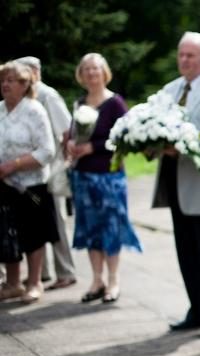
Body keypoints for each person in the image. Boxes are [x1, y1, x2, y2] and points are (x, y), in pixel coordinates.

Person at [153, 32, 200, 339]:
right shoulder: (170, 89)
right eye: (181, 54)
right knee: (185, 251)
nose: (184, 60)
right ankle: (196, 310)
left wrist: (188, 147)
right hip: (174, 179)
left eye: (191, 55)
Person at [68, 53, 141, 304]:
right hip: (83, 177)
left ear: (104, 72)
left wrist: (94, 147)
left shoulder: (115, 104)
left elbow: (126, 138)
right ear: (81, 74)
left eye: (95, 69)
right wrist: (71, 144)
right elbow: (73, 133)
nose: (91, 73)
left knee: (111, 228)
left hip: (109, 176)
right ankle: (96, 279)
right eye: (86, 69)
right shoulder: (79, 104)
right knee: (91, 229)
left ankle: (113, 280)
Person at [16, 56, 77, 291]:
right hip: (33, 170)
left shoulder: (47, 95)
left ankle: (66, 271)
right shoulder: (24, 97)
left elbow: (65, 130)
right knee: (39, 221)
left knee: (57, 221)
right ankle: (43, 272)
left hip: (52, 168)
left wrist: (65, 163)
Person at [0, 61, 58, 304]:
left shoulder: (35, 110)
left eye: (10, 81)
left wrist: (15, 165)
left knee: (33, 233)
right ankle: (13, 284)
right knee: (6, 233)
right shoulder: (0, 110)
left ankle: (34, 283)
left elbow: (47, 151)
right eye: (2, 80)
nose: (4, 85)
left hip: (30, 185)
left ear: (24, 85)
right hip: (3, 184)